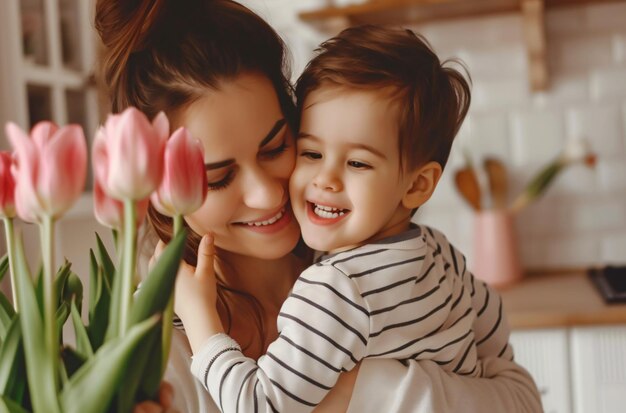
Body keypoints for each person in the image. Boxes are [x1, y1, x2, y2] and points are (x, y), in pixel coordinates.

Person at [94, 0, 542, 412]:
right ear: (159, 187)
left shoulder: (359, 269)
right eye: (219, 177)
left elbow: (524, 400)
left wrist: (366, 389)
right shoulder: (153, 352)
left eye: (275, 148)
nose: (267, 194)